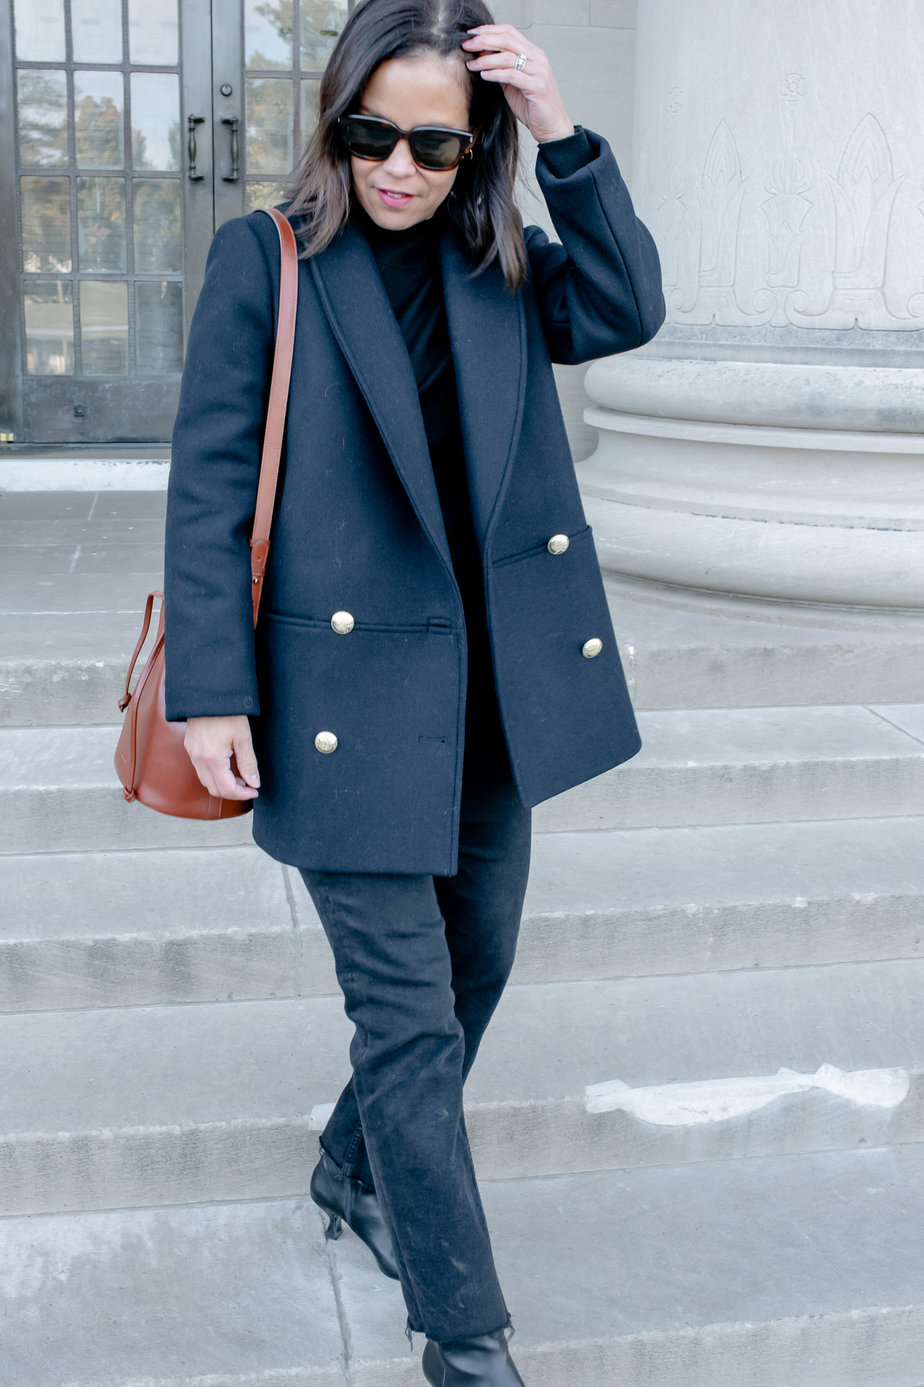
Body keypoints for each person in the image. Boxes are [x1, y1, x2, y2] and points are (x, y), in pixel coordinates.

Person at [164, 1, 664, 1381]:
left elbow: (627, 304)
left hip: (488, 701)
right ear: (336, 121)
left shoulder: (497, 255)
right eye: (372, 132)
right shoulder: (265, 261)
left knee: (478, 962)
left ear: (474, 145)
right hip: (334, 698)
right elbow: (208, 486)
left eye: (435, 144)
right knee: (408, 1014)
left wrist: (560, 132)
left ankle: (351, 1163)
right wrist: (214, 692)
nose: (398, 166)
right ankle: (463, 1332)